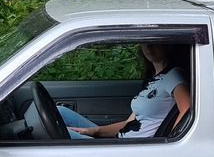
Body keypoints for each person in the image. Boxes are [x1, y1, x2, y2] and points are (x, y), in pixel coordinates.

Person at [56, 43, 191, 139]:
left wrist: (171, 142)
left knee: (55, 135)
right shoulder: (154, 80)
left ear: (167, 45)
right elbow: (129, 123)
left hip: (135, 150)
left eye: (154, 41)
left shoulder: (174, 75)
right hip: (122, 140)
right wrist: (94, 131)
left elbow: (187, 108)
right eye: (145, 41)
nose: (148, 46)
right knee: (59, 112)